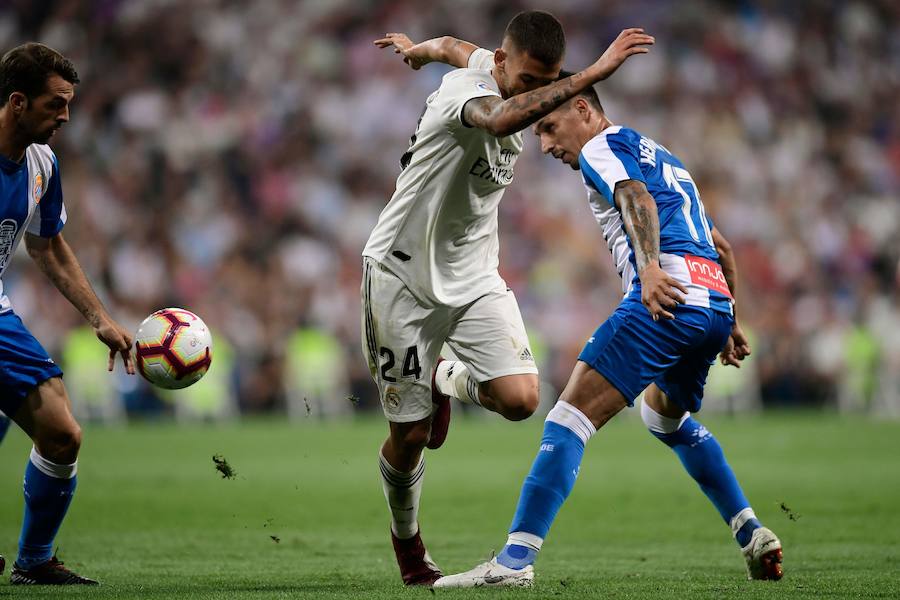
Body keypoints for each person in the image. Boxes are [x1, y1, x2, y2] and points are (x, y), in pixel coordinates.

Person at [432, 77, 783, 588]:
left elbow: (632, 194)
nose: (547, 145)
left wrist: (650, 271)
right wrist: (728, 319)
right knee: (663, 418)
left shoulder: (602, 145)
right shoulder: (663, 155)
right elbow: (721, 247)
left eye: (550, 128)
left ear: (583, 109)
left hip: (667, 298)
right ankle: (750, 532)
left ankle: (512, 563)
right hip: (711, 301)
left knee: (567, 419)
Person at [364, 12, 654, 585]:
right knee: (411, 433)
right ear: (501, 64)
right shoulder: (467, 96)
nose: (538, 97)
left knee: (522, 400)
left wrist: (418, 49)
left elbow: (453, 44)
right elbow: (496, 120)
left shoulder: (489, 64)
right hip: (399, 275)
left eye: (546, 83)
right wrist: (594, 72)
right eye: (530, 83)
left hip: (473, 277)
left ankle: (444, 379)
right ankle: (409, 547)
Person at [0, 42, 135, 585]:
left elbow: (48, 247)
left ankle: (34, 560)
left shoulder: (41, 163)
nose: (66, 117)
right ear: (16, 102)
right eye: (55, 104)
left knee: (61, 433)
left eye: (69, 103)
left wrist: (99, 318)